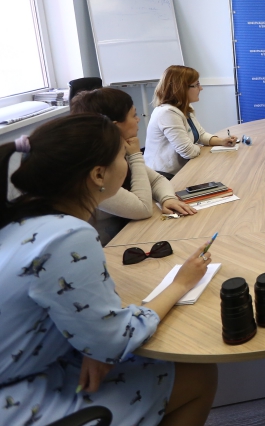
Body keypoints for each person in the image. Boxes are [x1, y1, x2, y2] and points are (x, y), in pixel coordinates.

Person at [0, 115, 217, 426]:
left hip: (32, 368)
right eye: (123, 156)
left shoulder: (24, 218)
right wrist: (180, 284)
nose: (128, 162)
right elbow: (116, 339)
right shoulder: (68, 235)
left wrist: (96, 343)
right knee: (198, 375)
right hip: (18, 398)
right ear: (99, 174)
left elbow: (90, 325)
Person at [70, 88, 195, 244]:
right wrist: (135, 156)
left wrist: (167, 199)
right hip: (110, 247)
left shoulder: (116, 152)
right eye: (133, 115)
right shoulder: (92, 172)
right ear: (113, 127)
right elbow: (142, 209)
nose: (138, 120)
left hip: (131, 234)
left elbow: (157, 180)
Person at [145, 65, 237, 176]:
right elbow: (187, 151)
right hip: (164, 175)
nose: (201, 88)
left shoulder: (185, 107)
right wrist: (200, 147)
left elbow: (201, 135)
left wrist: (221, 141)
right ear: (181, 88)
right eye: (196, 85)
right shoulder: (167, 113)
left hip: (183, 169)